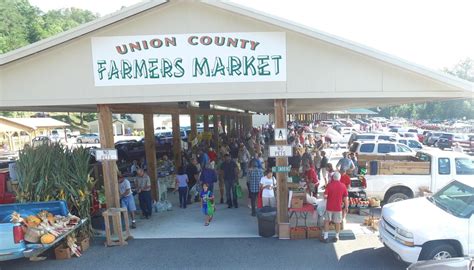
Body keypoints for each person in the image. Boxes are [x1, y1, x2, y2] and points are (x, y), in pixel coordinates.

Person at [321, 172, 348, 243]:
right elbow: (345, 198)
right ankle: (336, 236)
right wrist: (346, 207)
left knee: (326, 221)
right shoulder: (343, 186)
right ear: (339, 178)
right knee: (337, 222)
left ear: (333, 178)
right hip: (338, 208)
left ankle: (326, 237)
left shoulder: (329, 185)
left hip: (329, 207)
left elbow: (325, 196)